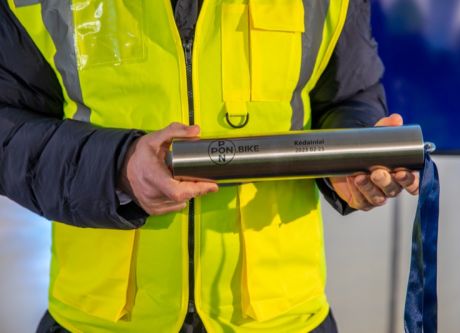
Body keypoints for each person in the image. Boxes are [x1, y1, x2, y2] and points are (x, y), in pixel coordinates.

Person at [0, 0, 418, 332]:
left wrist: (350, 154)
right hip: (102, 321)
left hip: (281, 319)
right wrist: (117, 166)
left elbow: (348, 96)